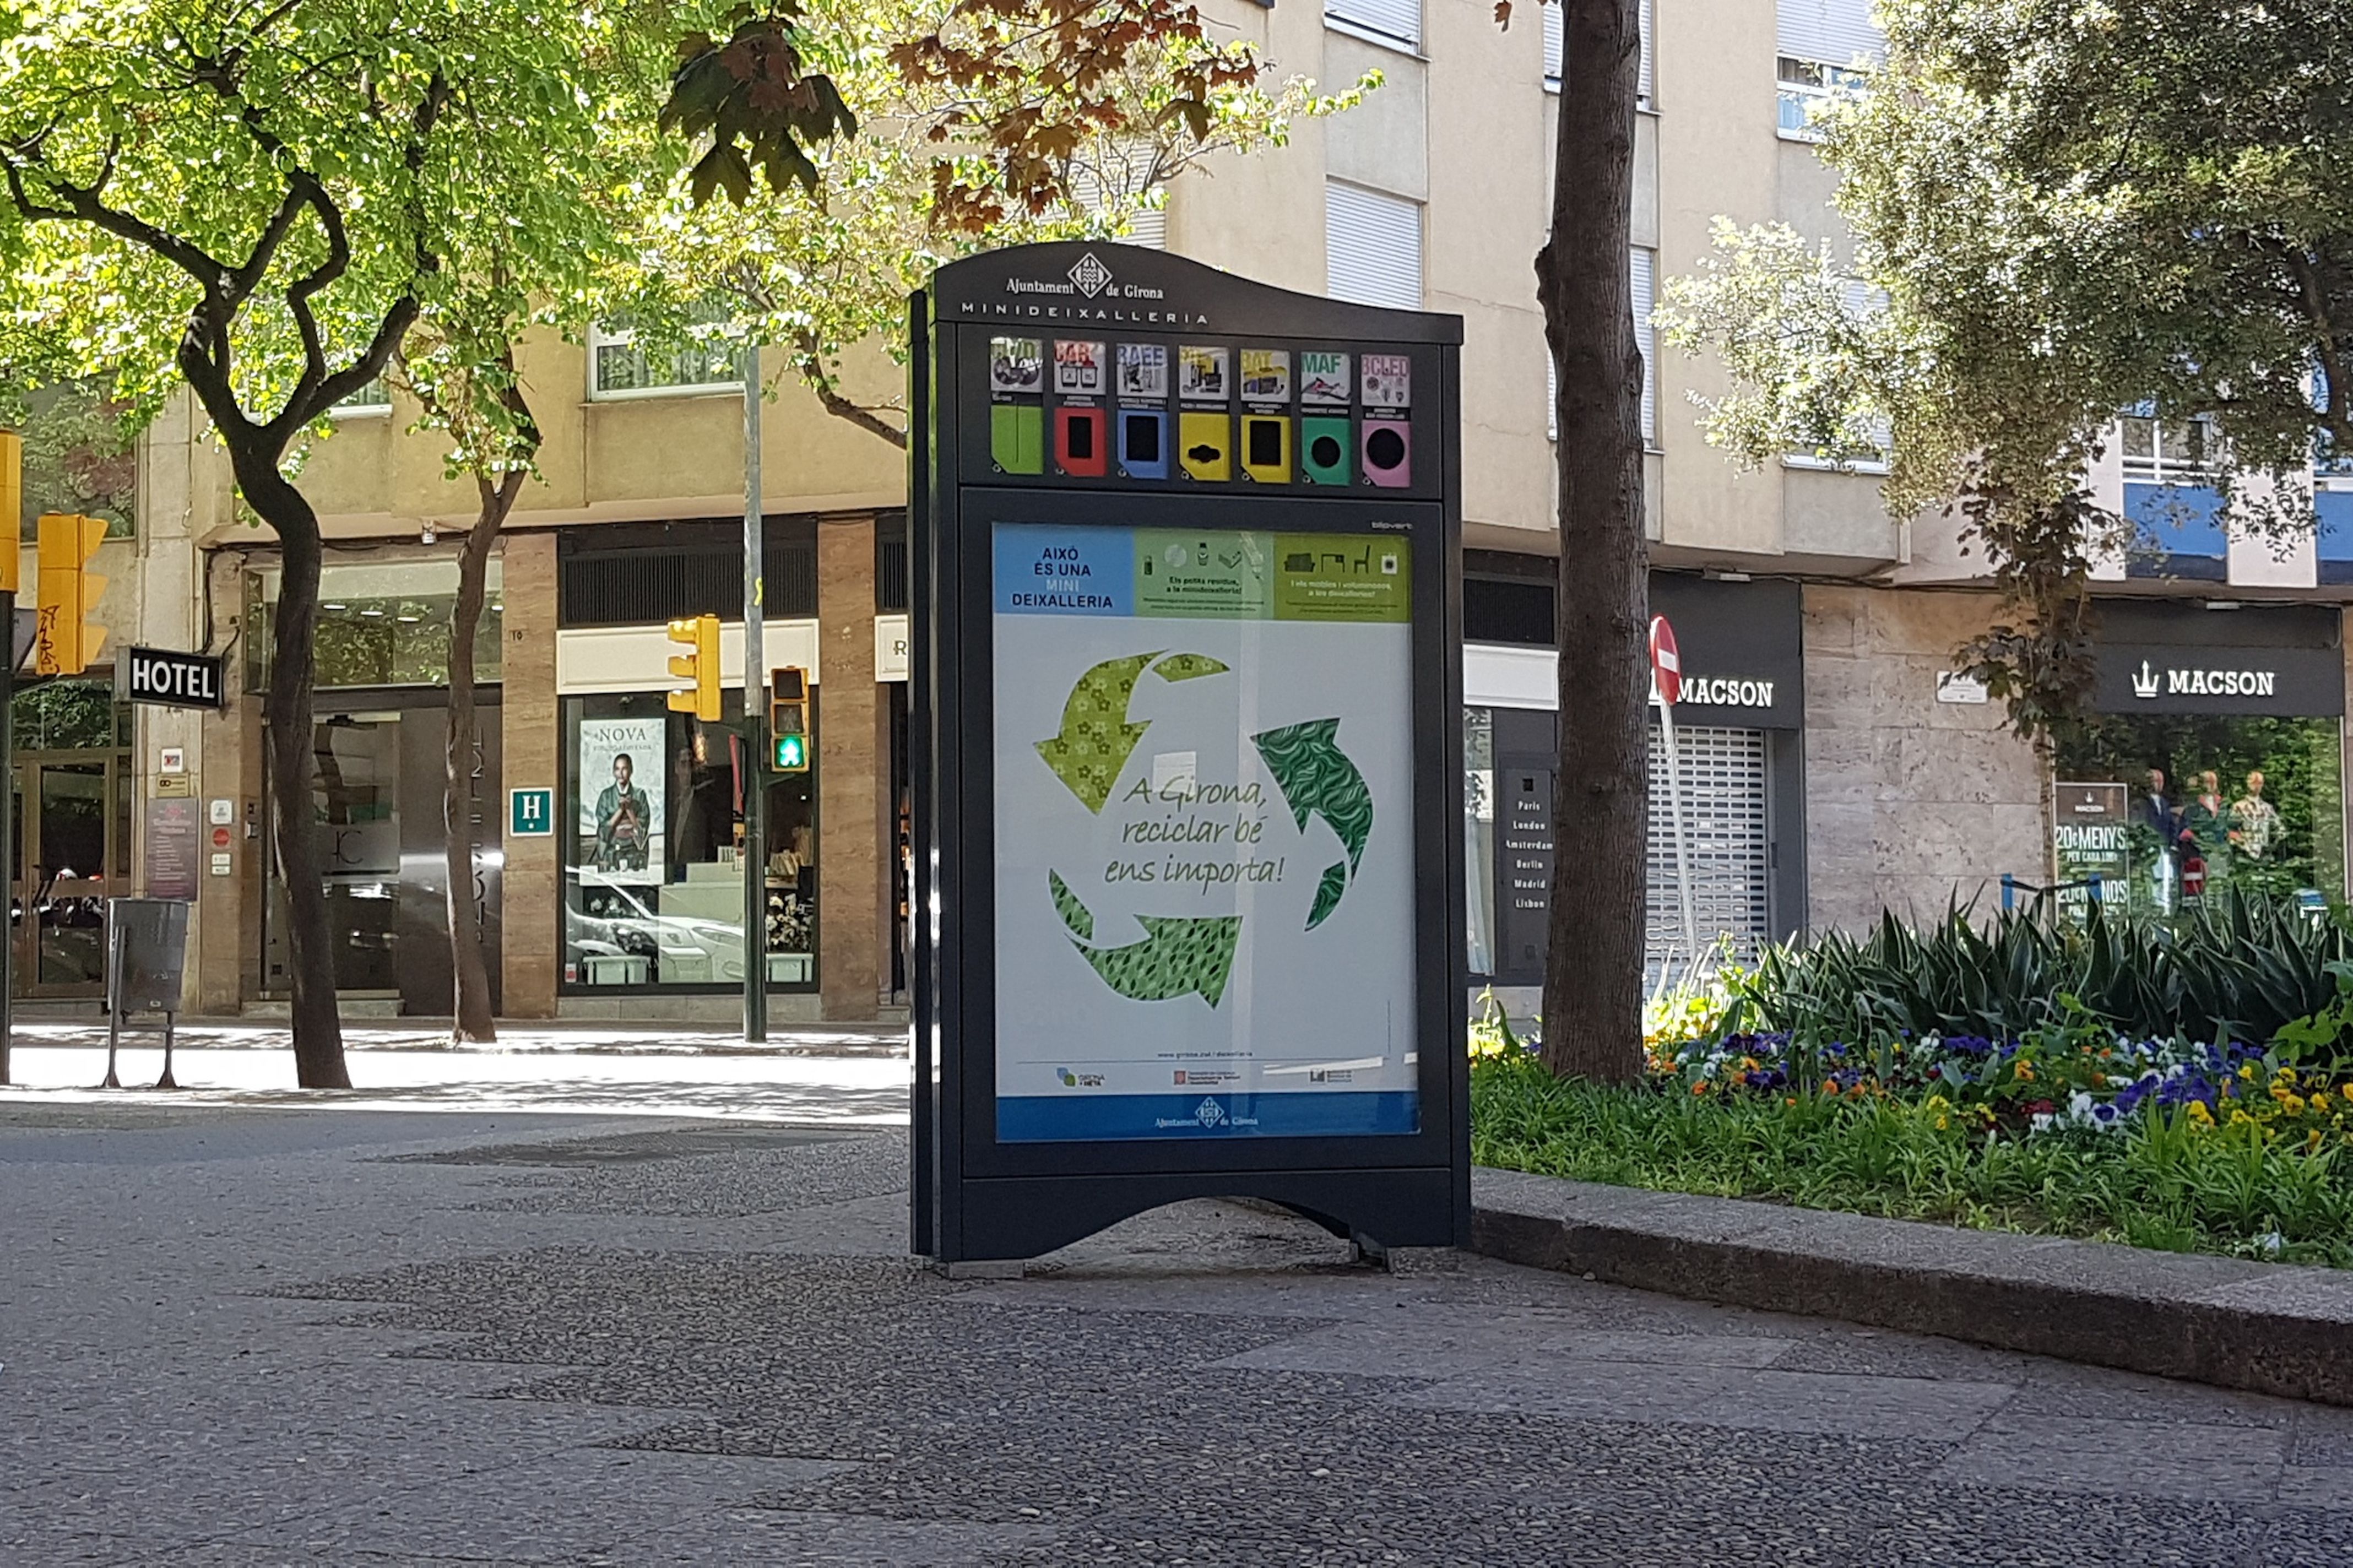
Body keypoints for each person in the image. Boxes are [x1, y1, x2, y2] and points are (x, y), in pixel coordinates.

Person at [593, 752, 651, 875]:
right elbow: (603, 827)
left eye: (624, 769)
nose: (621, 773)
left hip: (634, 849)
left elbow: (643, 826)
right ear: (614, 772)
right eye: (617, 769)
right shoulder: (606, 795)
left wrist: (629, 811)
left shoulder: (639, 795)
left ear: (631, 770)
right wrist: (620, 811)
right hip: (612, 848)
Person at [2232, 769, 2282, 861]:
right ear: (2248, 783)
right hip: (2244, 856)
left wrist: (2273, 845)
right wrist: (2240, 843)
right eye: (2254, 783)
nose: (2256, 786)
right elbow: (2230, 830)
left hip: (2265, 856)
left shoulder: (2267, 808)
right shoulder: (2239, 807)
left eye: (2260, 783)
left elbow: (2280, 829)